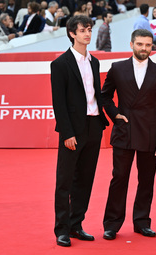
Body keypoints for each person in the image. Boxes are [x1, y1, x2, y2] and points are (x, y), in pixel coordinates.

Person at [101, 29, 156, 240]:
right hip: (125, 130)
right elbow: (104, 97)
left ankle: (142, 222)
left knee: (146, 180)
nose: (144, 49)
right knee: (119, 177)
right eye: (140, 44)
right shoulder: (117, 68)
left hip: (150, 132)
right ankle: (112, 224)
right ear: (131, 45)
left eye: (148, 45)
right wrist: (116, 115)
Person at [51, 15, 109, 247]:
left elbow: (96, 95)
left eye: (89, 29)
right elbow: (59, 103)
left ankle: (77, 225)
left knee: (85, 180)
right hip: (72, 130)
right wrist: (67, 133)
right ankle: (62, 230)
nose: (88, 33)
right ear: (72, 34)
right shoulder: (60, 64)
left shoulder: (94, 62)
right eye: (83, 30)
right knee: (65, 181)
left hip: (93, 127)